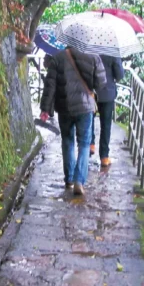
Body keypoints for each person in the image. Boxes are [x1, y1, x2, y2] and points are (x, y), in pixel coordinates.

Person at [39, 49, 106, 197]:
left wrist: (45, 108)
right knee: (84, 144)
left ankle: (69, 179)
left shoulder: (58, 58)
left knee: (68, 141)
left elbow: (50, 86)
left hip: (64, 108)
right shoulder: (94, 56)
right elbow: (101, 83)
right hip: (85, 107)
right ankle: (79, 181)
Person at [90, 54, 124, 166]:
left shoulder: (90, 48)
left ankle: (90, 144)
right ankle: (104, 157)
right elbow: (119, 75)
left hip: (91, 92)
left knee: (89, 119)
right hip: (107, 94)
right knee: (106, 126)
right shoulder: (112, 51)